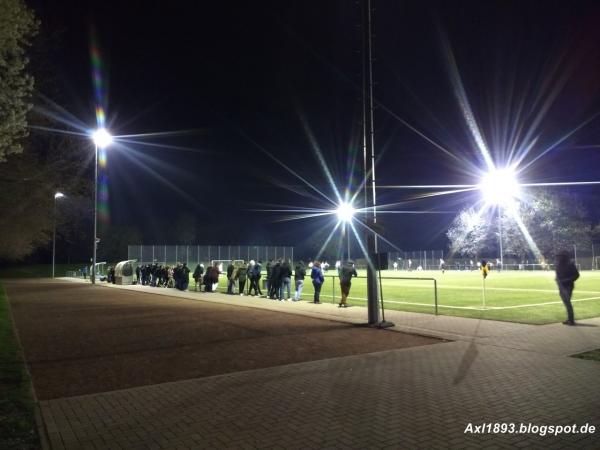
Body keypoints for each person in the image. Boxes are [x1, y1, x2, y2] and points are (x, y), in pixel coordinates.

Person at [555, 250, 579, 325]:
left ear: (564, 257)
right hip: (561, 286)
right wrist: (558, 280)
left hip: (568, 286)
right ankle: (569, 319)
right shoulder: (558, 264)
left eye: (560, 256)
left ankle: (571, 320)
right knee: (566, 303)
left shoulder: (570, 264)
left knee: (567, 303)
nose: (558, 257)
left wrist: (567, 280)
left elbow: (576, 275)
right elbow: (558, 274)